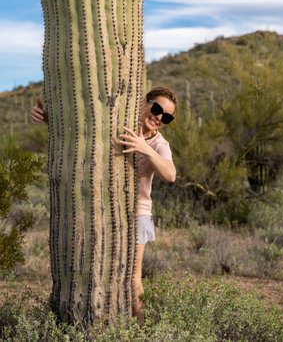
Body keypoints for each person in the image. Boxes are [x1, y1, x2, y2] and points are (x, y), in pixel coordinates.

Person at [30, 86, 177, 324]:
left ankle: (142, 329)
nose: (159, 117)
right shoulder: (117, 123)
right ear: (144, 102)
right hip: (100, 209)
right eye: (157, 108)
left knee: (131, 278)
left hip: (136, 215)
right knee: (91, 270)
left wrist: (144, 148)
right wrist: (49, 119)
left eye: (166, 117)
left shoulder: (160, 144)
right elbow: (85, 133)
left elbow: (170, 174)